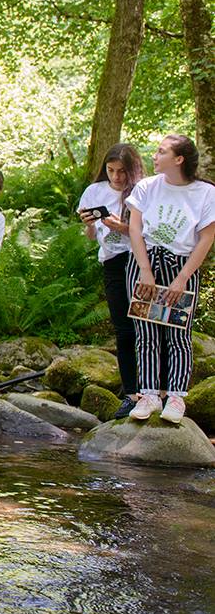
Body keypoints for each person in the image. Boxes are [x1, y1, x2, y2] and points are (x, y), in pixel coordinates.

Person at [124, 135, 215, 424]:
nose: (154, 155)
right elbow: (134, 229)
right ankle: (149, 394)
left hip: (181, 265)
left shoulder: (206, 193)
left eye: (161, 151)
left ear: (179, 159)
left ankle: (175, 396)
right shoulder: (146, 187)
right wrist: (145, 270)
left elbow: (207, 238)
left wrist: (182, 278)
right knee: (146, 332)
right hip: (144, 262)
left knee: (178, 334)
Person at [78, 143, 144, 418]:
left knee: (147, 327)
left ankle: (156, 391)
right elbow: (91, 237)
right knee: (123, 328)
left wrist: (124, 228)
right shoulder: (95, 191)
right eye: (111, 170)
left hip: (141, 260)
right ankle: (131, 393)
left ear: (133, 170)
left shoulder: (143, 190)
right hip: (112, 262)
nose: (116, 177)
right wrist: (90, 225)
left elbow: (150, 234)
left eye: (122, 171)